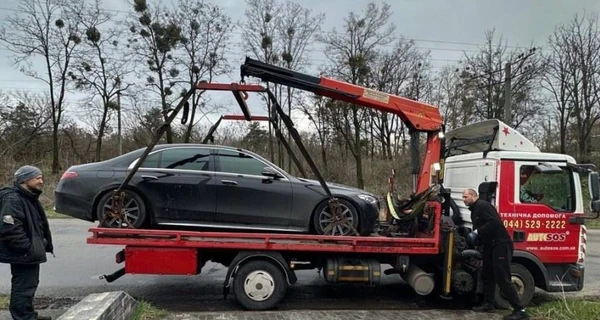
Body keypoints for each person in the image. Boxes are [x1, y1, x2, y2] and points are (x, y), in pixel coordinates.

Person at [462, 188, 529, 320]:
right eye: (463, 197)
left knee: (503, 278)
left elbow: (494, 223)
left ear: (474, 196)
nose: (464, 200)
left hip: (500, 245)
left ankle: (520, 310)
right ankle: (488, 304)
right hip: (489, 246)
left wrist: (477, 232)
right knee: (487, 274)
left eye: (466, 197)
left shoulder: (483, 206)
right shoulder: (475, 209)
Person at [0, 165, 54, 320]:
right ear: (25, 179)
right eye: (37, 178)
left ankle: (28, 315)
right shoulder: (13, 199)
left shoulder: (27, 196)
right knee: (23, 287)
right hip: (23, 253)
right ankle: (24, 317)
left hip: (28, 252)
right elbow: (10, 228)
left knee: (29, 285)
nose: (41, 181)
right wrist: (27, 248)